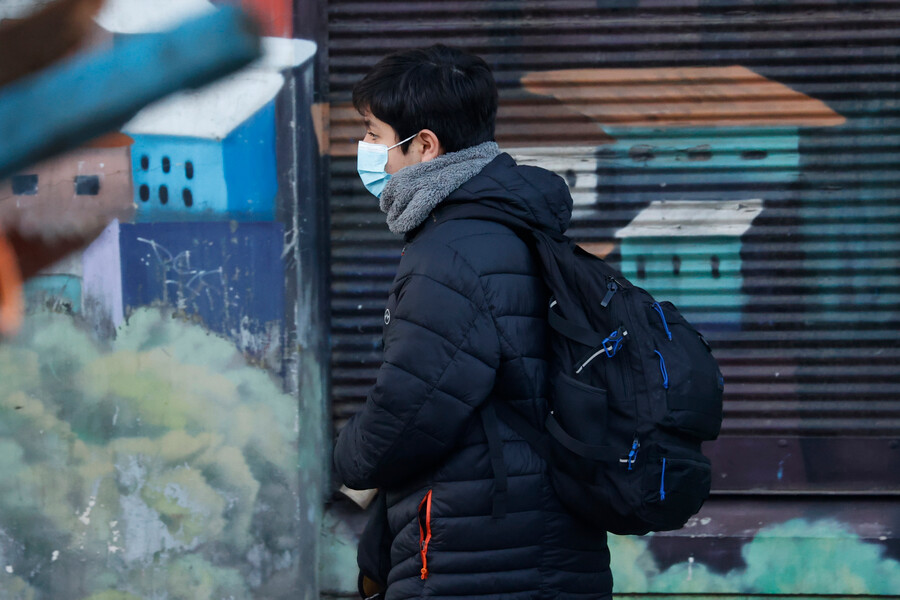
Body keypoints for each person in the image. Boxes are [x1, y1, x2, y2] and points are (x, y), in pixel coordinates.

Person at [333, 44, 612, 600]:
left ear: (425, 146)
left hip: (477, 551)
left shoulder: (454, 249)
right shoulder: (509, 223)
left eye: (373, 133)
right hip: (531, 537)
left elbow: (411, 410)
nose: (365, 149)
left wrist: (346, 456)